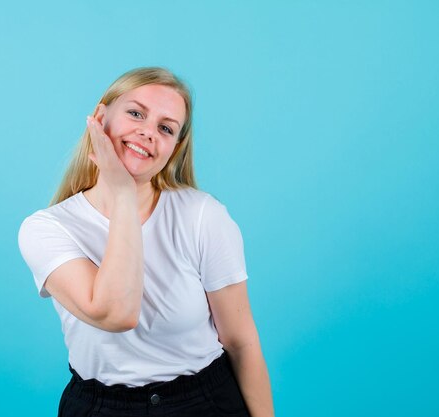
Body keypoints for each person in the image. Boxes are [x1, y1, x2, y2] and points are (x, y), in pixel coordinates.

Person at [18, 67, 274, 417]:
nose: (147, 132)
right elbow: (116, 313)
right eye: (136, 113)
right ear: (100, 117)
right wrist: (124, 194)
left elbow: (240, 342)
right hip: (101, 407)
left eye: (165, 128)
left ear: (175, 147)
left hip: (204, 402)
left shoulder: (204, 215)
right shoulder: (46, 229)